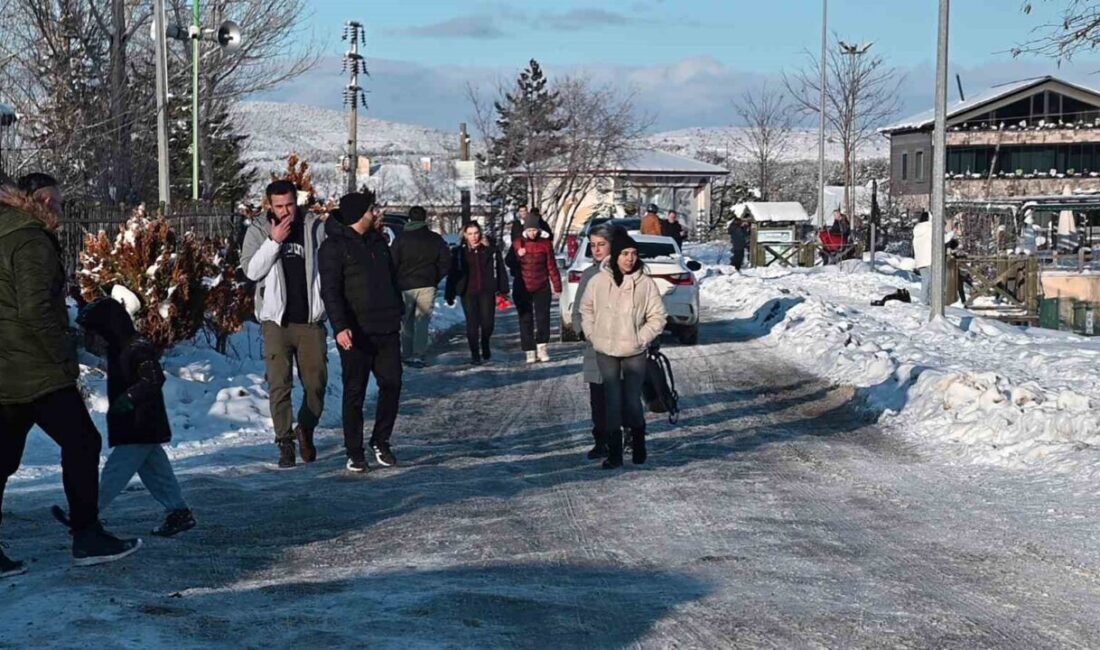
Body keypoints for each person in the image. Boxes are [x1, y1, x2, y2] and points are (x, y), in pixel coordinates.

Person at [0, 173, 140, 575]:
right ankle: (87, 535)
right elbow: (35, 310)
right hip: (35, 367)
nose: (61, 211)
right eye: (57, 203)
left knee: (2, 458)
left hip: (8, 365)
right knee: (82, 441)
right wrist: (65, 349)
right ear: (38, 201)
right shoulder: (29, 239)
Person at [73, 297, 195, 537]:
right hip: (139, 426)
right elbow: (114, 366)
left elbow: (153, 378)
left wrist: (129, 397)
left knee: (114, 472)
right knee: (157, 472)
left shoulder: (136, 347)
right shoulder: (120, 348)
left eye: (94, 333)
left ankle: (85, 513)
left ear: (108, 328)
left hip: (140, 423)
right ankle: (179, 512)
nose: (93, 340)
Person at [240, 180, 328, 469]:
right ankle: (285, 443)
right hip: (276, 321)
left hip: (310, 320)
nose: (285, 211)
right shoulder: (258, 230)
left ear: (297, 201)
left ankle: (305, 426)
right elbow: (252, 271)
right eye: (279, 206)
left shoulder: (314, 226)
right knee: (280, 385)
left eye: (289, 204)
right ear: (270, 206)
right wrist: (274, 240)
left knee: (316, 384)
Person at [318, 192, 405, 472]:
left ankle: (381, 440)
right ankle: (354, 451)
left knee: (392, 384)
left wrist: (398, 310)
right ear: (358, 215)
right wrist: (340, 326)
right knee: (354, 391)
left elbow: (391, 278)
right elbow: (330, 291)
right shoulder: (333, 247)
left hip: (387, 327)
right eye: (371, 210)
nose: (376, 213)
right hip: (355, 332)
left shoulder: (378, 241)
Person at [579, 230, 667, 469]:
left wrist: (643, 337)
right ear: (616, 255)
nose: (630, 258)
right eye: (625, 253)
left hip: (634, 351)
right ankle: (614, 454)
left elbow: (658, 316)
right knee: (612, 401)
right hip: (605, 350)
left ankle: (639, 444)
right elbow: (586, 309)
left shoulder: (645, 283)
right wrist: (593, 334)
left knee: (631, 401)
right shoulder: (598, 281)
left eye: (634, 254)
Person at [571, 224, 618, 459]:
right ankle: (601, 440)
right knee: (598, 399)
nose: (596, 249)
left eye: (602, 244)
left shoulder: (628, 271)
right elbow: (578, 310)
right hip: (596, 347)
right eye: (593, 245)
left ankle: (622, 437)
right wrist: (584, 331)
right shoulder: (589, 274)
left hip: (624, 347)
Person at [392, 206, 450, 368]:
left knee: (407, 321)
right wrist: (435, 276)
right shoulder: (435, 239)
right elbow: (446, 260)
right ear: (425, 219)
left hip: (405, 285)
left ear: (409, 219)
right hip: (427, 283)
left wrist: (396, 279)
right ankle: (419, 354)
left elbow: (392, 262)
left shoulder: (401, 239)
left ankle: (407, 353)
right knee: (422, 321)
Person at [445, 221, 510, 365]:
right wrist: (449, 294)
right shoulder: (459, 252)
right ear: (465, 235)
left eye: (476, 233)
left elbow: (500, 270)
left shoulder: (490, 250)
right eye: (470, 234)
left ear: (480, 234)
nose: (473, 237)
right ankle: (475, 354)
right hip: (468, 292)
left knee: (488, 323)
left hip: (487, 291)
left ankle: (485, 341)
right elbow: (453, 274)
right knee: (472, 324)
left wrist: (503, 289)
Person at [507, 210, 562, 364]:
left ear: (538, 230)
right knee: (525, 319)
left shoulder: (545, 244)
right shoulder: (518, 243)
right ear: (525, 230)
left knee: (543, 318)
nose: (532, 233)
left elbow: (551, 266)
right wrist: (519, 254)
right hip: (523, 286)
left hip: (541, 285)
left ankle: (542, 346)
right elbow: (509, 262)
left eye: (534, 230)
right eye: (529, 230)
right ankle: (529, 350)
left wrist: (557, 286)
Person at [912, 211, 958, 305]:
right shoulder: (931, 228)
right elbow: (943, 239)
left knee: (925, 280)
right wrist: (952, 233)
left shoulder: (917, 229)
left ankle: (923, 300)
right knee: (934, 281)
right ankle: (932, 302)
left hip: (920, 260)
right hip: (931, 258)